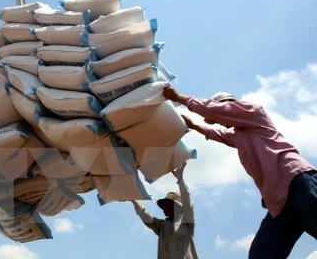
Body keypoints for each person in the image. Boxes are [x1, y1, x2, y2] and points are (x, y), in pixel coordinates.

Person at [162, 86, 317, 258]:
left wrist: (180, 98)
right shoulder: (237, 136)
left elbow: (221, 111)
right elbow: (215, 133)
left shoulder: (254, 113)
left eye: (220, 117)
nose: (221, 122)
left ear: (230, 103)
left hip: (298, 182)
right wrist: (195, 126)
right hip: (278, 205)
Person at [129, 162, 199, 259]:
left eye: (166, 204)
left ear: (176, 205)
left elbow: (188, 204)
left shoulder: (186, 221)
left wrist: (180, 180)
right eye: (162, 205)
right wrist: (132, 199)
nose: (163, 208)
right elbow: (146, 216)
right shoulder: (162, 226)